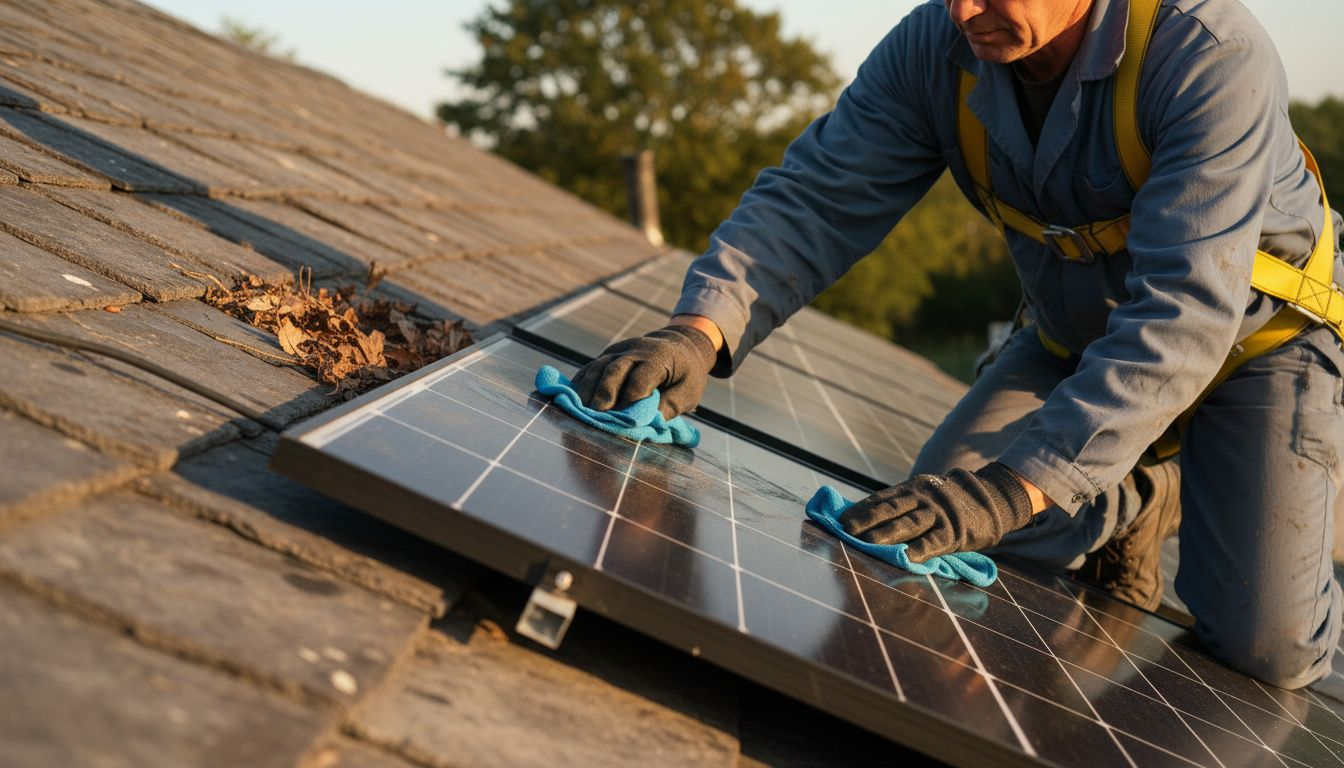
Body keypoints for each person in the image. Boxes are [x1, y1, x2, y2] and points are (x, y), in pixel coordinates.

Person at [571, 0, 1344, 690]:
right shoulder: (937, 49)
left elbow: (1185, 318)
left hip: (1255, 347)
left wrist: (1012, 489)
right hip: (1074, 339)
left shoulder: (1208, 53)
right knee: (930, 532)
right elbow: (819, 194)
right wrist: (699, 329)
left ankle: (1125, 471)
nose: (965, 10)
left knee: (1266, 649)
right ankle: (1136, 490)